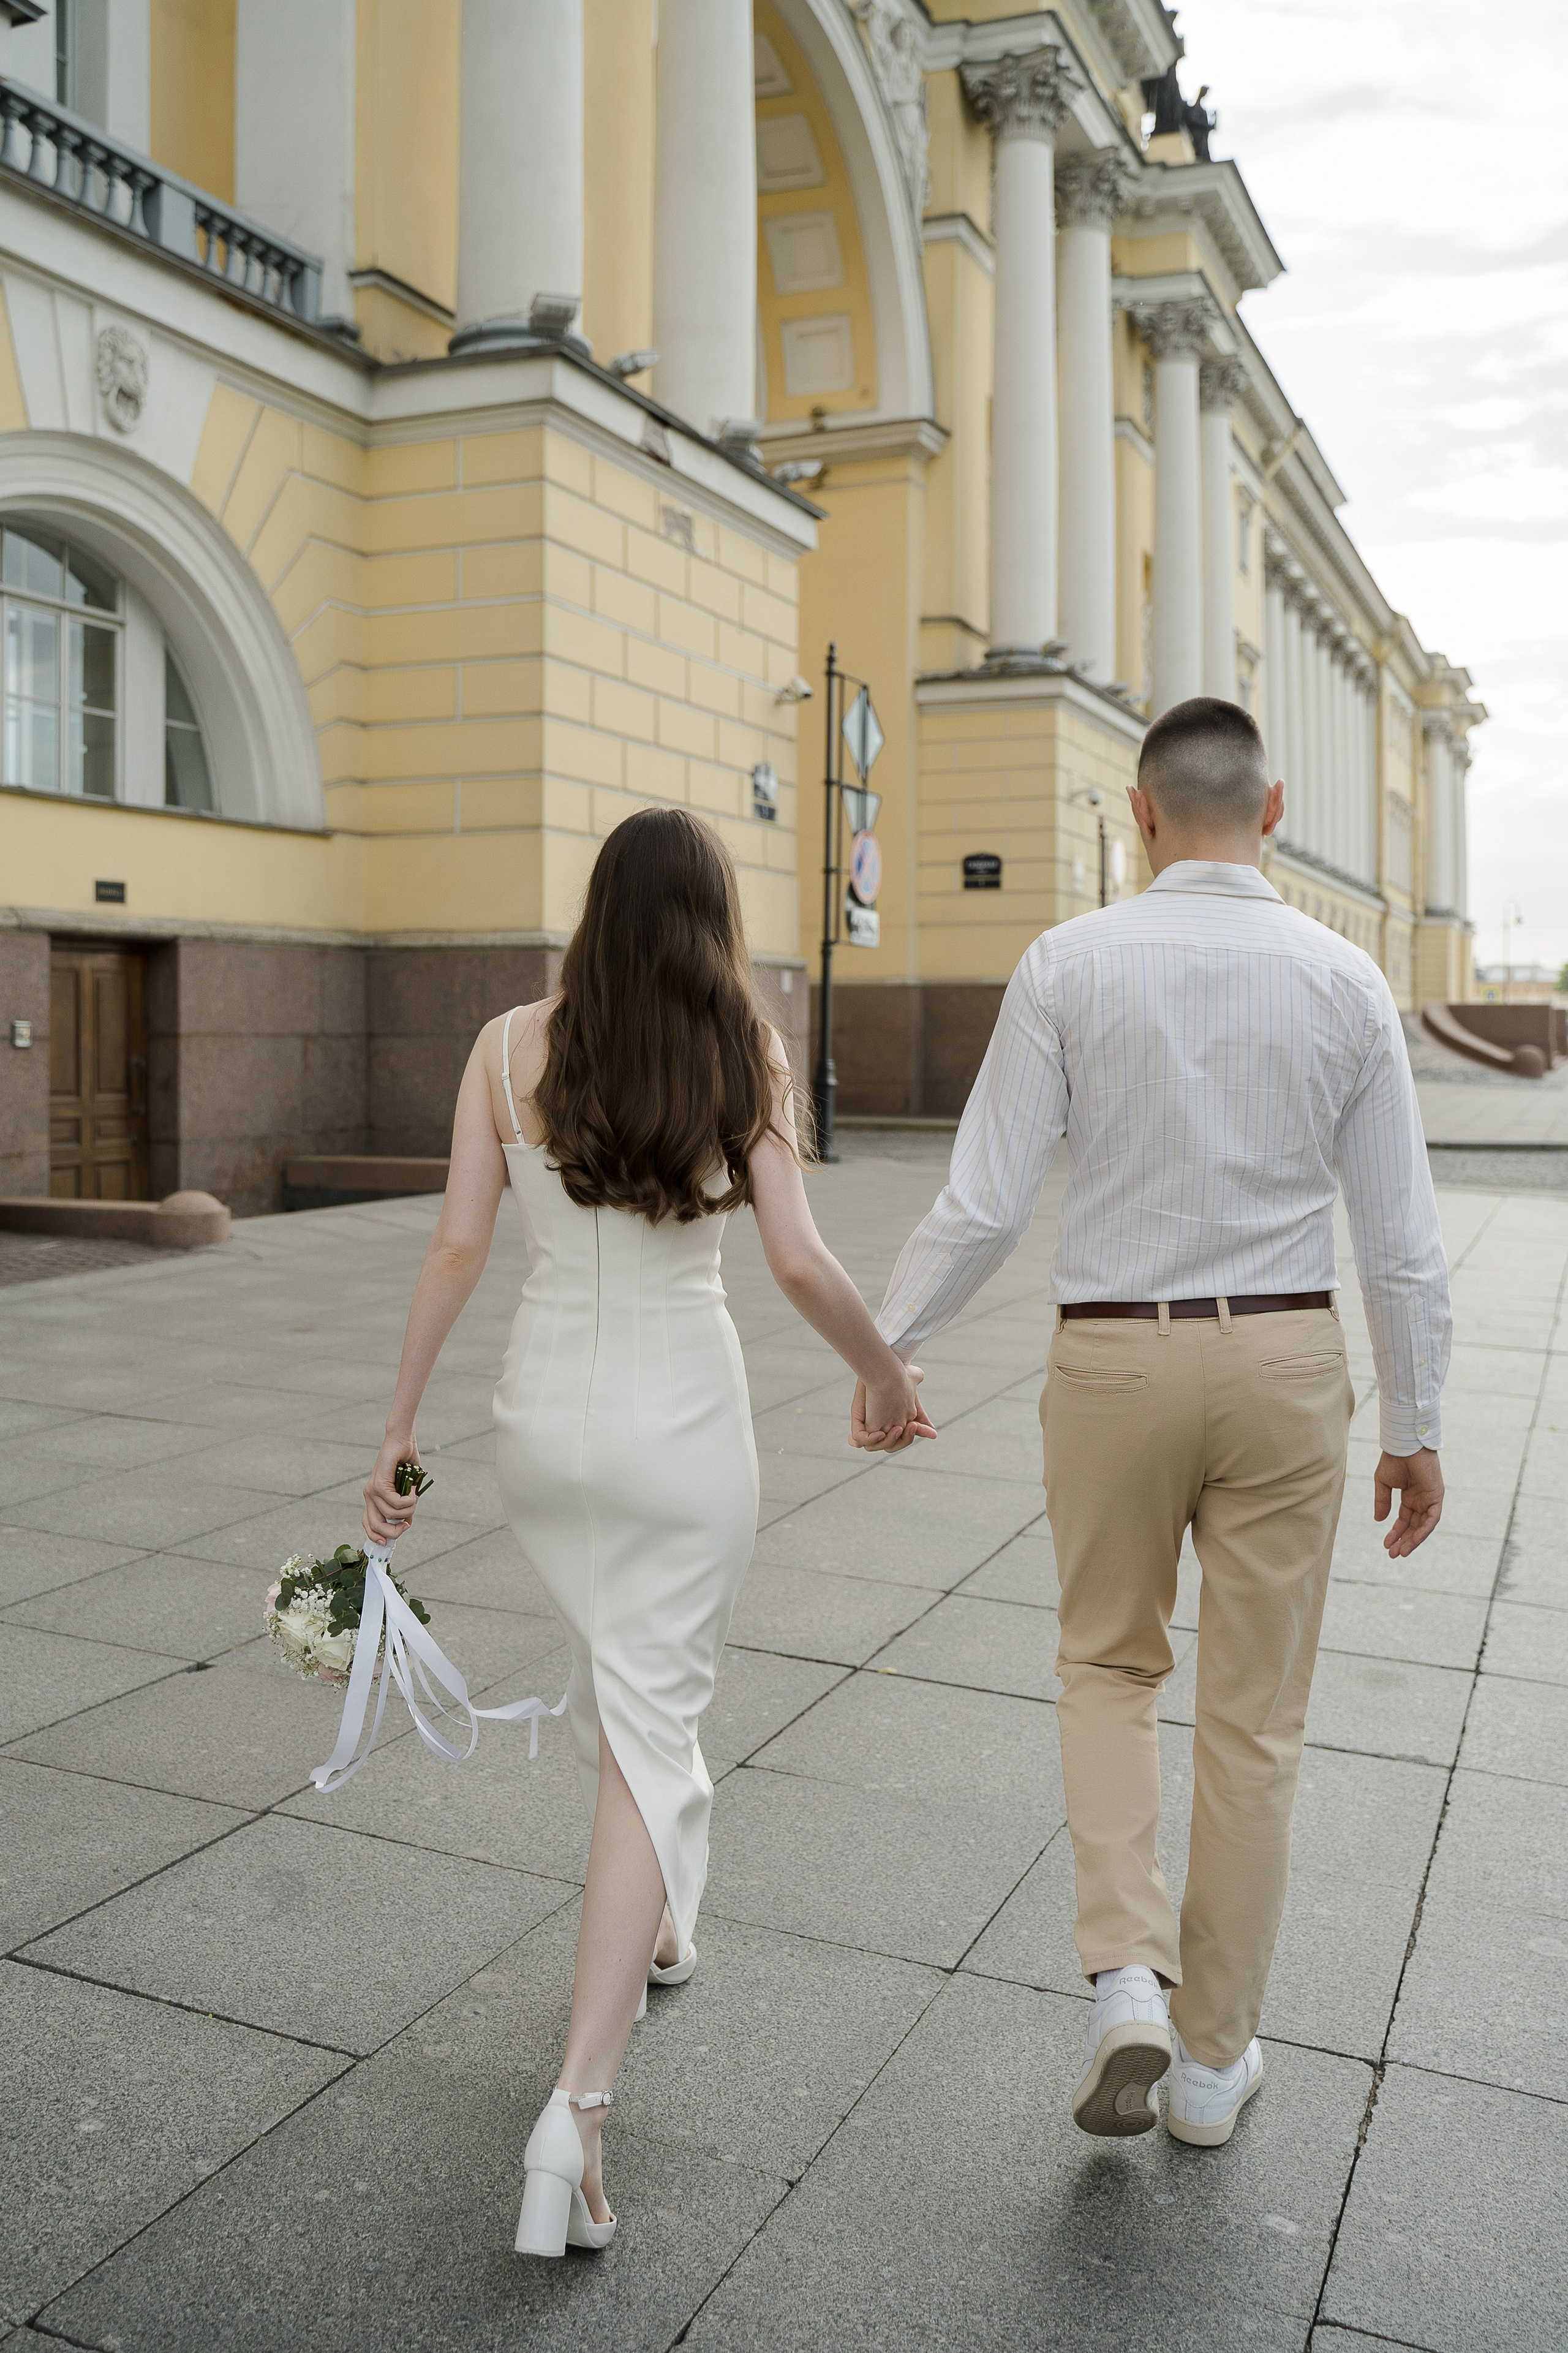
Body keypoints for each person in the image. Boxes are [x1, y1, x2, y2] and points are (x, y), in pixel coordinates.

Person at [856, 697, 1451, 2147]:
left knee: (1106, 1668)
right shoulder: (1342, 977)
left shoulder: (1067, 963)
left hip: (1112, 1362)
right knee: (1252, 1724)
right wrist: (1415, 1419)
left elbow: (984, 1200)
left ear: (1135, 812)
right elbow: (1400, 1239)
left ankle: (1124, 1970)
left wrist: (887, 1351)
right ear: (1275, 809)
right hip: (1285, 1362)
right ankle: (1206, 2065)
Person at [360, 806, 933, 2256]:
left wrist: (397, 1432)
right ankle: (576, 2116)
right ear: (708, 918)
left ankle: (666, 1921)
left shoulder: (502, 1046)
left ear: (596, 909)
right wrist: (884, 1371)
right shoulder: (743, 1043)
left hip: (543, 1431)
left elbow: (454, 1245)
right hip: (685, 1432)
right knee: (648, 1727)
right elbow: (797, 1256)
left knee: (635, 1695)